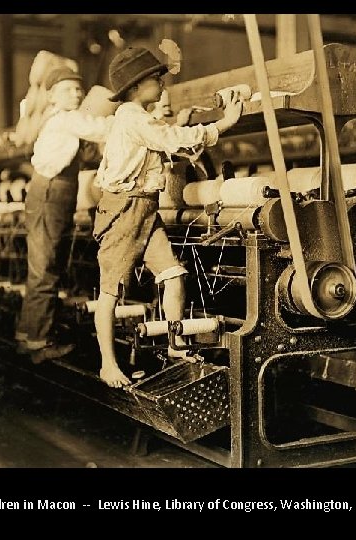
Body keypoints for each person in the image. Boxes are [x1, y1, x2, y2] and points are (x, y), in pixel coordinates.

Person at [92, 47, 243, 387]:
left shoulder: (139, 118)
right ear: (135, 87)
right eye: (155, 79)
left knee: (173, 275)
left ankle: (175, 344)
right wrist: (224, 124)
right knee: (110, 292)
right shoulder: (133, 117)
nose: (162, 83)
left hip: (145, 209)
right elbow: (173, 139)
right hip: (124, 210)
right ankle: (107, 365)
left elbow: (173, 141)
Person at [15, 67, 114, 364]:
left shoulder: (60, 122)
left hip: (51, 194)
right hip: (51, 195)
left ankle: (28, 335)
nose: (77, 93)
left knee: (43, 267)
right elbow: (103, 129)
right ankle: (40, 344)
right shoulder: (66, 119)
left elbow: (86, 155)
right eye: (68, 89)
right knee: (45, 269)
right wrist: (134, 116)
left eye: (78, 89)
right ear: (51, 96)